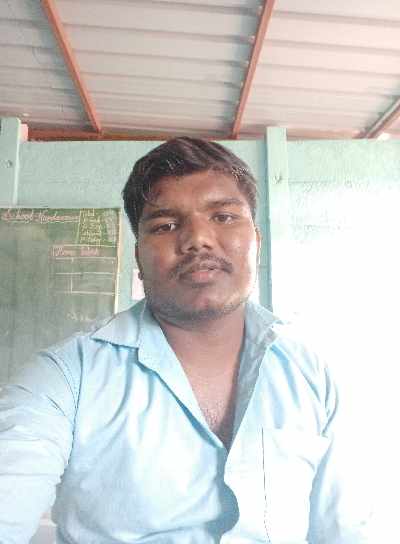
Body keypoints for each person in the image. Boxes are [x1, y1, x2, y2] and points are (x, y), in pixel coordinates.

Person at [0, 138, 371, 543]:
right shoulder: (65, 377)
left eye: (224, 216)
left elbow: (346, 531)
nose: (198, 239)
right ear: (139, 258)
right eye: (165, 225)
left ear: (257, 242)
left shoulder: (314, 375)